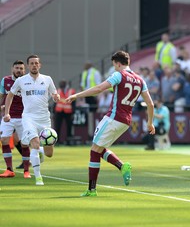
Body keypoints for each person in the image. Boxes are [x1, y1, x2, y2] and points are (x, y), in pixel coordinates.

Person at [66, 51, 155, 197]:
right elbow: (150, 104)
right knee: (99, 149)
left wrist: (77, 95)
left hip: (113, 117)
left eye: (114, 65)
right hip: (126, 121)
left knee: (94, 151)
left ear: (118, 63)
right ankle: (121, 166)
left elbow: (99, 88)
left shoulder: (119, 75)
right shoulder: (140, 80)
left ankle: (92, 190)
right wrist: (150, 123)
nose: (114, 68)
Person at [4, 55, 60, 185]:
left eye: (36, 63)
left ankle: (41, 152)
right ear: (28, 66)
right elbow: (10, 95)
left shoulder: (47, 79)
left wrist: (56, 97)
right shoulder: (21, 80)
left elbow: (54, 94)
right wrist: (7, 113)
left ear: (40, 65)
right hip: (29, 117)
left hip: (44, 118)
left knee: (49, 153)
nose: (34, 65)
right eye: (32, 63)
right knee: (34, 143)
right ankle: (38, 177)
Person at [0, 60, 32, 179]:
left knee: (24, 144)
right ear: (12, 69)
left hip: (23, 117)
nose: (19, 70)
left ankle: (26, 171)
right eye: (17, 68)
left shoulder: (28, 81)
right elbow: (2, 95)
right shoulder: (5, 80)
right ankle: (9, 169)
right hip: (8, 117)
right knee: (4, 140)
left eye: (21, 68)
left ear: (24, 70)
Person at [54, 80, 76, 145]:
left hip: (68, 112)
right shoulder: (58, 91)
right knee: (57, 127)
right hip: (59, 111)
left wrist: (73, 112)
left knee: (69, 127)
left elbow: (74, 103)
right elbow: (55, 102)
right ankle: (57, 141)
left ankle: (68, 141)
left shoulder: (71, 91)